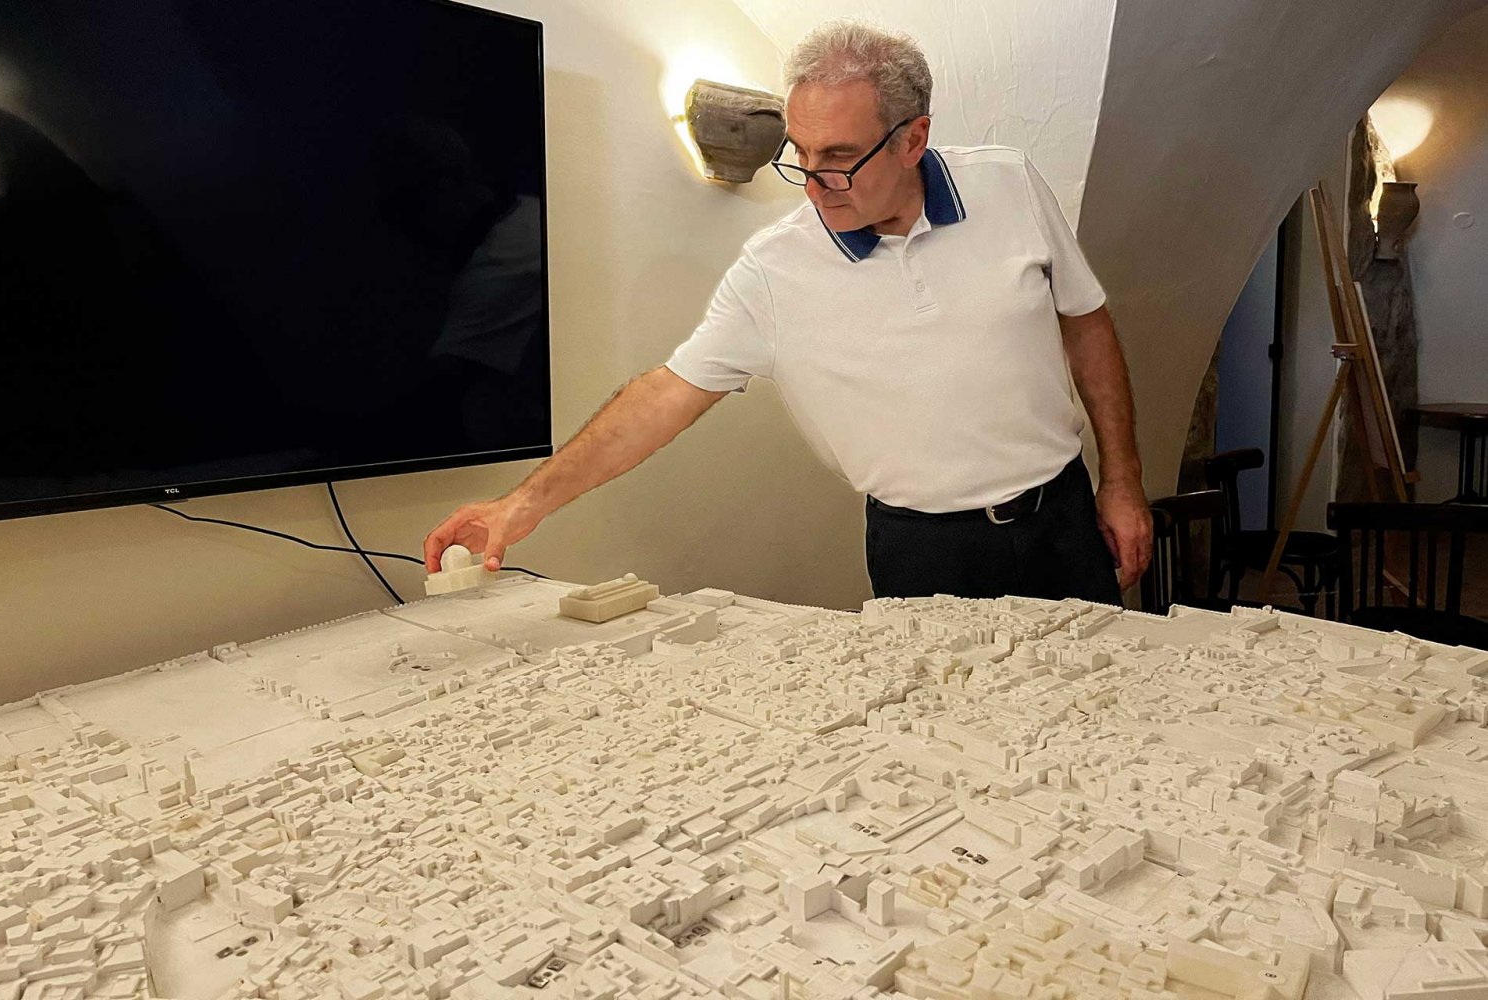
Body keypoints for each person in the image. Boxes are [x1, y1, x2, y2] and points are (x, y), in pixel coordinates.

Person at [425, 21, 1151, 604]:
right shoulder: (775, 269)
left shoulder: (1010, 184)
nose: (814, 185)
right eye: (799, 154)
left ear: (912, 139)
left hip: (1062, 517)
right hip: (922, 551)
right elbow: (663, 398)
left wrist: (1121, 481)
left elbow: (1086, 324)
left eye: (837, 157)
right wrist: (524, 504)